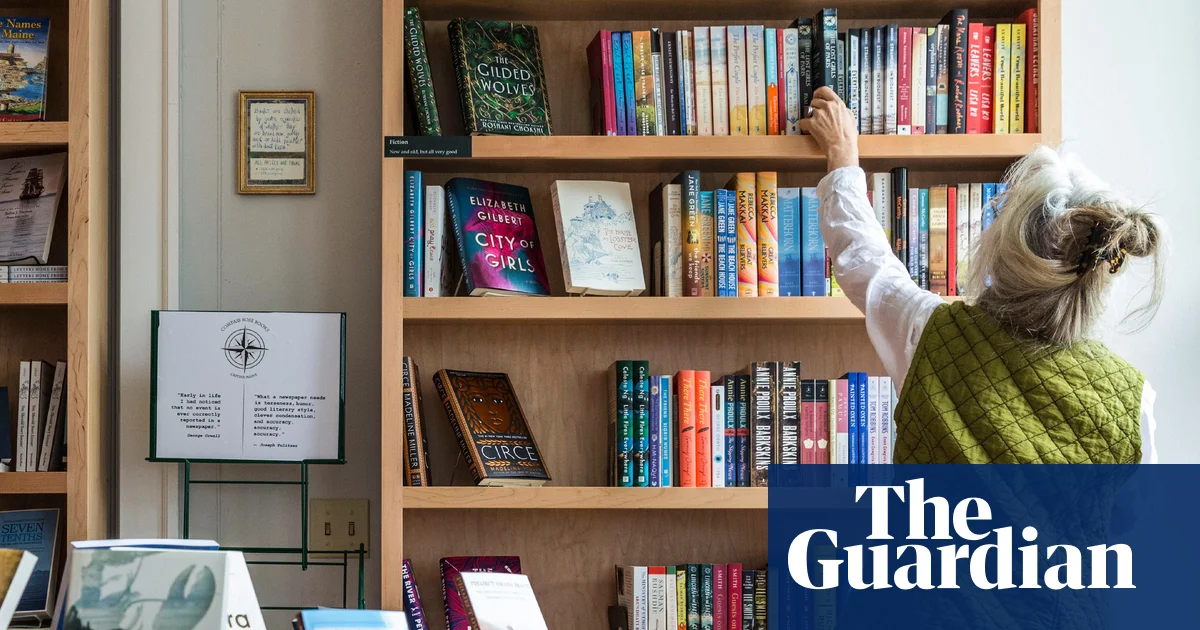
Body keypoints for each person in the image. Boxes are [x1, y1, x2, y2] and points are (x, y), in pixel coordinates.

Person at [799, 87, 1163, 464]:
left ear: (1006, 249)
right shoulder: (1132, 400)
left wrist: (842, 151)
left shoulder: (932, 334)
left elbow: (862, 256)